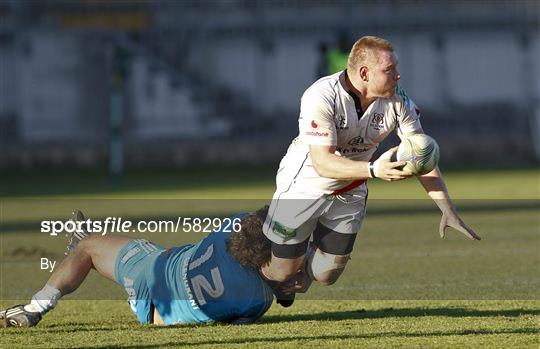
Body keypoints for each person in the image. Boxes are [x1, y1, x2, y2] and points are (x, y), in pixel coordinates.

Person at [261, 35, 481, 292]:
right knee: (280, 273)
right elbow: (322, 163)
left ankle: (303, 258)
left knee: (325, 275)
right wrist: (374, 169)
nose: (398, 75)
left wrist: (447, 209)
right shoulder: (320, 96)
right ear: (364, 73)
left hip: (351, 190)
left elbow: (421, 153)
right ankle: (252, 255)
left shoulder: (399, 101)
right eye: (390, 70)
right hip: (304, 186)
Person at [1, 208, 280, 327]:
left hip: (155, 270)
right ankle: (86, 242)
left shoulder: (235, 223)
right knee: (115, 249)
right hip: (157, 315)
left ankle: (34, 308)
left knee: (86, 248)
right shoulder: (258, 298)